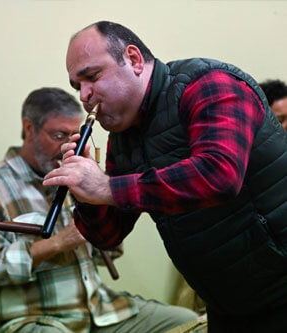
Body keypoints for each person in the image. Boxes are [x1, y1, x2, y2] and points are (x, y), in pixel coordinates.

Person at [43, 21, 287, 332]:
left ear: (133, 59)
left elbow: (218, 175)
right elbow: (108, 234)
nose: (85, 96)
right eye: (78, 86)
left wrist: (106, 186)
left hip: (280, 289)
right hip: (230, 303)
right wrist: (85, 192)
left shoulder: (210, 84)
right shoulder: (123, 135)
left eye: (92, 77)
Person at [0, 87, 197, 333]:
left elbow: (109, 251)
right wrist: (56, 243)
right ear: (29, 128)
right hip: (32, 320)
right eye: (58, 135)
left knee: (189, 322)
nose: (68, 146)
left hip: (99, 313)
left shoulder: (76, 177)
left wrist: (102, 212)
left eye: (74, 136)